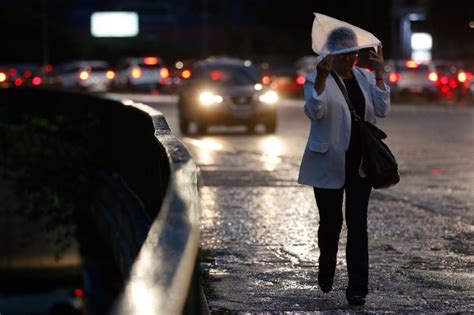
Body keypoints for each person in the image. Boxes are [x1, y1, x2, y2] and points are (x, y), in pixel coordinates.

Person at [298, 27, 390, 306]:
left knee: (358, 224)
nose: (351, 58)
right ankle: (326, 269)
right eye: (344, 53)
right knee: (331, 224)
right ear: (331, 53)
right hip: (328, 161)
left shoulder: (363, 76)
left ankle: (357, 288)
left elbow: (382, 110)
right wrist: (323, 79)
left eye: (354, 52)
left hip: (361, 164)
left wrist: (379, 74)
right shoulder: (316, 78)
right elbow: (315, 111)